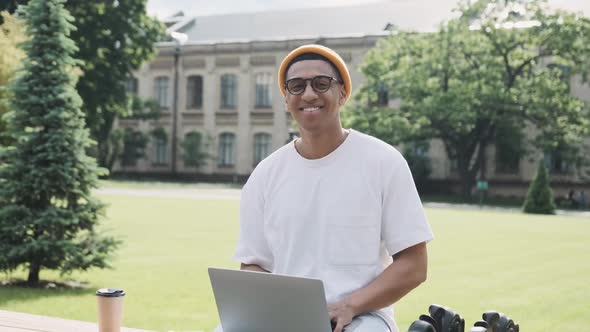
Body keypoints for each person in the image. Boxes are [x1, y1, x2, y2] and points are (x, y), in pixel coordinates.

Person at [228, 44, 434, 332]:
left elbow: (413, 265)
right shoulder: (265, 175)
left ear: (343, 93)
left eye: (322, 83)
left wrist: (350, 305)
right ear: (286, 99)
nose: (309, 94)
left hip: (364, 317)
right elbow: (254, 265)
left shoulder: (383, 162)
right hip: (285, 318)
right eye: (296, 86)